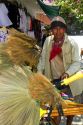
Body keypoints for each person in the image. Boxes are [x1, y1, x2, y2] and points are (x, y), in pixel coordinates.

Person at [37, 16, 81, 125]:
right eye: (55, 28)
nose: (57, 31)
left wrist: (67, 73)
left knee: (70, 109)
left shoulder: (72, 43)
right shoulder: (48, 41)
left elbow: (77, 62)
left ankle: (69, 123)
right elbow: (43, 59)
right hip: (53, 81)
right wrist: (38, 75)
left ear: (65, 29)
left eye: (60, 28)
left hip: (70, 81)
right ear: (51, 30)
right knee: (56, 110)